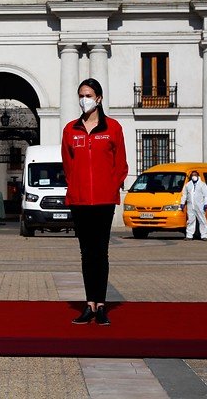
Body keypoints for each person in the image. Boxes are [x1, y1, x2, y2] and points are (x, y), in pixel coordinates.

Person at [62, 78, 128, 326]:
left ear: (98, 98)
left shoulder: (113, 128)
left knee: (100, 252)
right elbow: (68, 165)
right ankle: (89, 304)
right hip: (79, 201)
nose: (84, 99)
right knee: (86, 253)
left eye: (88, 95)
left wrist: (110, 186)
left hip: (103, 201)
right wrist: (76, 187)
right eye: (81, 95)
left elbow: (121, 165)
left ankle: (101, 305)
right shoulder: (70, 130)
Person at [180, 170, 207, 241]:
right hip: (190, 206)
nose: (194, 176)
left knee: (202, 220)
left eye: (195, 175)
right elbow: (184, 195)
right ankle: (189, 235)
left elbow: (206, 195)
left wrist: (206, 204)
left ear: (198, 176)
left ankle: (204, 235)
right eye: (192, 175)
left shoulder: (202, 184)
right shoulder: (188, 185)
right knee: (190, 220)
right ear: (190, 176)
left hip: (200, 206)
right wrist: (182, 203)